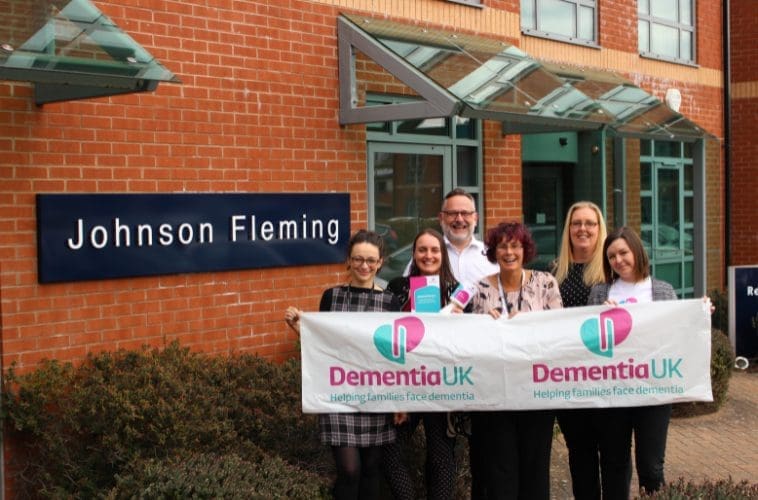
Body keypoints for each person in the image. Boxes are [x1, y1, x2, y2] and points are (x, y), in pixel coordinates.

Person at [284, 229, 401, 500]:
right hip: (339, 393)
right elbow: (323, 345)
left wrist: (399, 400)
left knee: (372, 469)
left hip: (376, 395)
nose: (364, 265)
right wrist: (299, 328)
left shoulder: (390, 301)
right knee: (349, 470)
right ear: (348, 260)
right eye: (358, 259)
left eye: (371, 260)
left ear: (380, 262)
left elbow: (395, 355)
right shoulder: (332, 296)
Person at [468, 221, 563, 500]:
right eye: (502, 246)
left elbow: (559, 330)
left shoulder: (545, 282)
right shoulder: (479, 287)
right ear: (494, 252)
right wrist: (483, 323)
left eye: (515, 246)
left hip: (536, 391)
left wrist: (533, 323)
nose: (509, 252)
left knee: (535, 470)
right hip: (494, 394)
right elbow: (462, 331)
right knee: (500, 471)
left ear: (525, 250)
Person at [587, 226, 677, 498]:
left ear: (637, 251)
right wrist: (599, 320)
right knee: (614, 464)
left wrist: (700, 313)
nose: (618, 260)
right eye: (612, 256)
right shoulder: (600, 292)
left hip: (653, 391)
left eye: (623, 252)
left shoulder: (661, 290)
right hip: (615, 392)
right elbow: (589, 345)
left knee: (651, 467)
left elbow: (677, 333)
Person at [381, 228, 464, 500]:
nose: (428, 255)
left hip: (443, 385)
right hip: (406, 385)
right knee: (389, 451)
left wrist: (463, 319)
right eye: (422, 250)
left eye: (434, 250)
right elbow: (386, 335)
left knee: (441, 457)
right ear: (413, 254)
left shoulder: (458, 292)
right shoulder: (397, 287)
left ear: (443, 255)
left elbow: (472, 342)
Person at [553, 201, 608, 500]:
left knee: (613, 454)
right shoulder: (552, 274)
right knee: (579, 452)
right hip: (568, 379)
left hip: (607, 376)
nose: (583, 229)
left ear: (600, 229)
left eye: (590, 223)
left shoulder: (613, 272)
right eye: (577, 223)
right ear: (568, 229)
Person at [404, 188, 499, 286]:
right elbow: (408, 291)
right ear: (441, 218)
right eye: (452, 213)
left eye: (465, 213)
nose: (459, 219)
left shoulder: (491, 255)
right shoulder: (427, 258)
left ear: (475, 218)